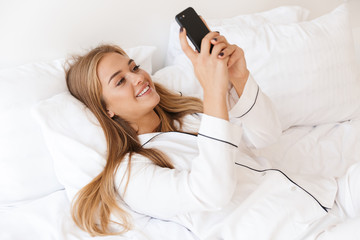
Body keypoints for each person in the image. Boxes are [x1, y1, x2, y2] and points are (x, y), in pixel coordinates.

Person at [65, 27, 360, 239]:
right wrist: (214, 90)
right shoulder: (130, 172)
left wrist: (238, 78)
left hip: (327, 194)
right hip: (294, 230)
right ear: (106, 111)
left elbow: (267, 136)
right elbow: (212, 193)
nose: (139, 78)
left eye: (134, 67)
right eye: (120, 81)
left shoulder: (190, 117)